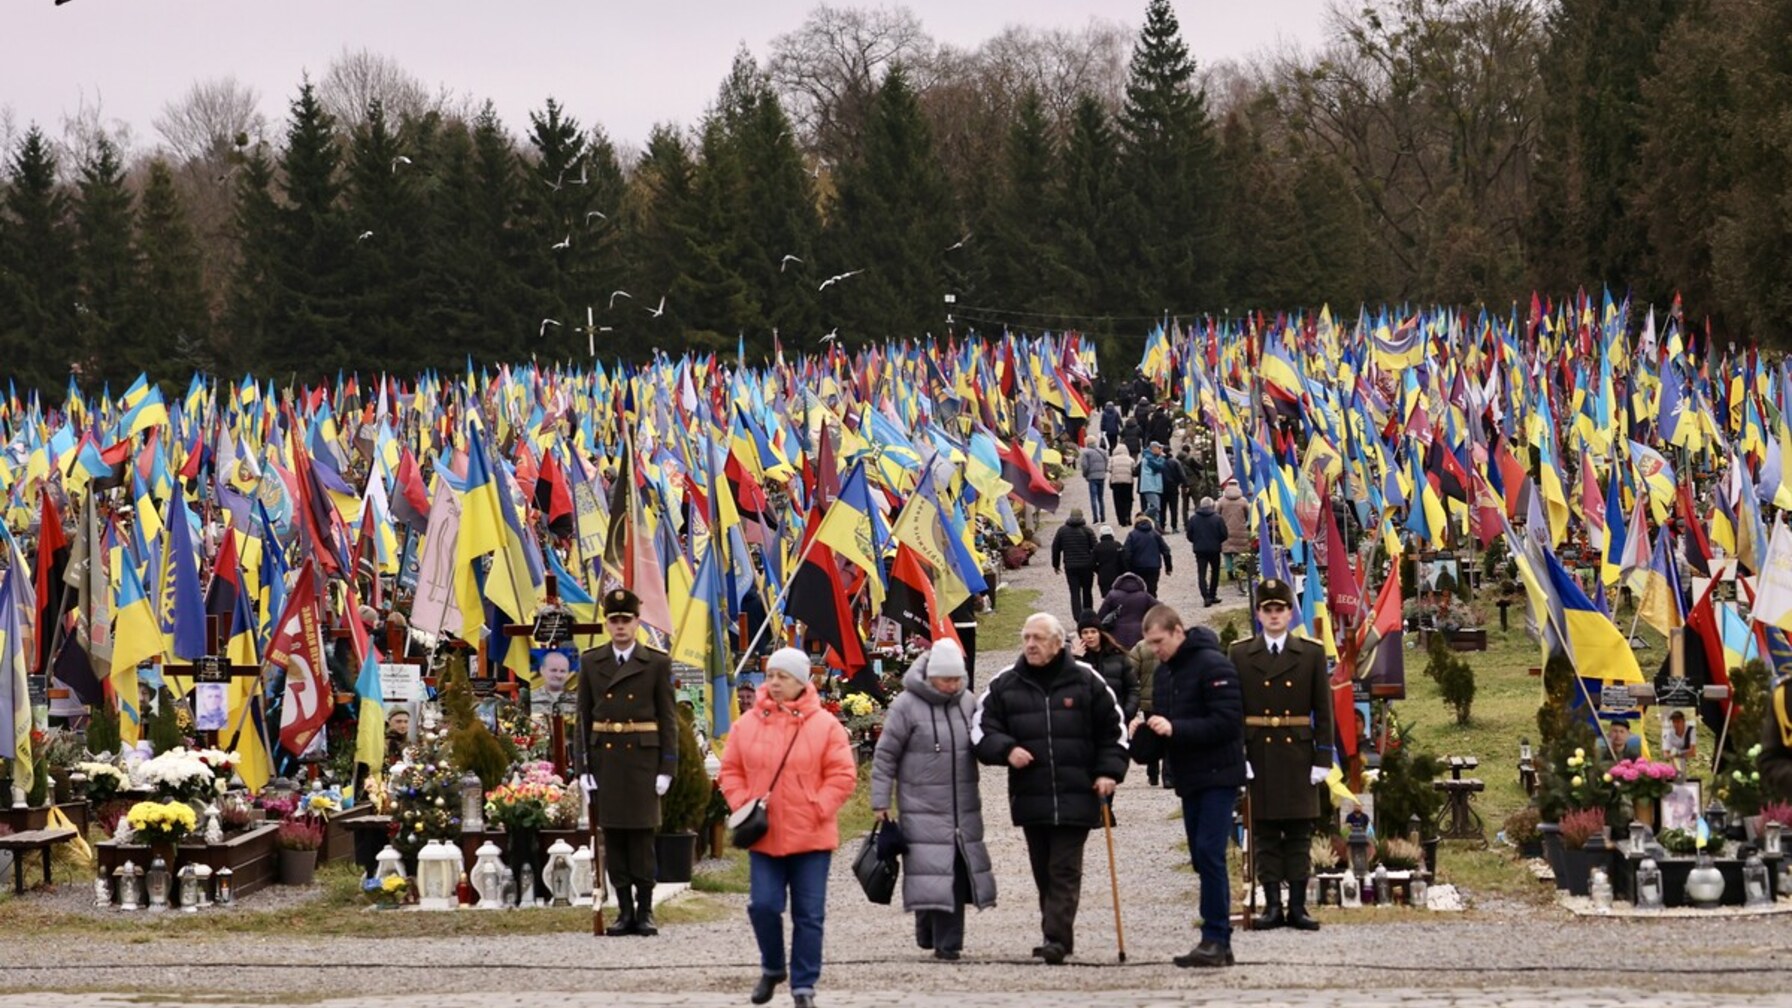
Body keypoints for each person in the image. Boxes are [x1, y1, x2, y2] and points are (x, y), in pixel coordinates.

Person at [973, 613, 1128, 966]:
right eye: (1026, 637)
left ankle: (1056, 938)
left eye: (1038, 638)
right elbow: (981, 729)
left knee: (1064, 868)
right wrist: (1007, 749)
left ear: (1058, 644)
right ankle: (1055, 933)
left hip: (1078, 792)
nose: (1030, 644)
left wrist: (1109, 772)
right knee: (1043, 869)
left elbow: (1114, 731)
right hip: (1031, 795)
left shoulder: (1088, 682)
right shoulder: (1006, 684)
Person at [720, 648, 857, 1008]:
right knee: (763, 906)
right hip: (764, 835)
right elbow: (730, 770)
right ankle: (772, 966)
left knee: (809, 915)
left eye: (783, 676)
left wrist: (819, 806)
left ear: (801, 681)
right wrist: (742, 804)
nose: (775, 682)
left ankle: (803, 986)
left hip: (812, 835)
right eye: (771, 675)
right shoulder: (747, 724)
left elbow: (843, 774)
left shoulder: (826, 726)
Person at [1130, 604, 1244, 968]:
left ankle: (1215, 937)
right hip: (1189, 776)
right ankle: (1218, 942)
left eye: (1159, 642)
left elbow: (1227, 722)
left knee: (1210, 852)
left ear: (1178, 631)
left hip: (1219, 774)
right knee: (1199, 856)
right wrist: (1142, 736)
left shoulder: (1214, 665)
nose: (1156, 650)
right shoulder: (1164, 675)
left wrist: (1176, 729)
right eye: (1150, 644)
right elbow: (1164, 731)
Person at [870, 640, 998, 961]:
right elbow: (886, 755)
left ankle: (949, 944)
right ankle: (929, 934)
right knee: (929, 871)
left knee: (952, 873)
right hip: (920, 806)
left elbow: (983, 738)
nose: (952, 685)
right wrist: (880, 800)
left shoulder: (967, 702)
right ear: (931, 677)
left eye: (957, 679)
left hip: (962, 805)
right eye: (946, 679)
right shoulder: (906, 706)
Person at [576, 588, 680, 937]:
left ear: (637, 622)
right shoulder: (592, 662)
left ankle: (645, 910)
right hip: (607, 760)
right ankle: (623, 910)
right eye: (614, 620)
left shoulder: (657, 662)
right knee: (615, 838)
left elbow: (668, 719)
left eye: (626, 620)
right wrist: (584, 770)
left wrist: (667, 768)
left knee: (642, 839)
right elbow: (582, 719)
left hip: (643, 763)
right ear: (607, 623)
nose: (620, 626)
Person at [1230, 579, 1331, 932]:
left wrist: (1323, 757)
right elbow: (1235, 708)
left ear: (1290, 613)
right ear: (1258, 614)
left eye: (1280, 609)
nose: (1274, 616)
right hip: (1260, 751)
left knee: (1300, 833)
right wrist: (1238, 753)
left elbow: (1324, 709)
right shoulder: (1240, 654)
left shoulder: (1312, 652)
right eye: (1267, 610)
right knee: (1266, 833)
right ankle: (1273, 906)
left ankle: (1298, 907)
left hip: (1299, 754)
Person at [1076, 612, 1140, 825]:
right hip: (1085, 723)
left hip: (1113, 721)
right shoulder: (1073, 662)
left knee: (1109, 765)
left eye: (1093, 631)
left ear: (1101, 633)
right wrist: (1075, 658)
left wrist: (1126, 712)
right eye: (1085, 632)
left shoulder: (1119, 657)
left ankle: (1106, 808)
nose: (1089, 636)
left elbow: (1133, 688)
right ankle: (1095, 809)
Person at [1051, 508, 1099, 618]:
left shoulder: (1062, 531)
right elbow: (1096, 548)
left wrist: (1056, 564)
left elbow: (1056, 548)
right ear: (1082, 516)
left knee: (1074, 593)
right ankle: (1088, 615)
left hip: (1070, 566)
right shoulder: (1087, 530)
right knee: (1087, 591)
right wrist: (1096, 566)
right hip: (1087, 566)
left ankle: (1077, 616)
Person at [1096, 571, 1157, 649]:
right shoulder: (1145, 596)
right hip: (1139, 633)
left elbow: (1101, 615)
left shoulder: (1112, 595)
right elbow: (1160, 609)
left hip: (1116, 634)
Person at [1186, 496, 1228, 607]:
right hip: (1214, 549)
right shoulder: (1218, 518)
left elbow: (1189, 535)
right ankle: (1212, 594)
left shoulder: (1194, 518)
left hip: (1199, 550)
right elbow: (1224, 534)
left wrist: (1196, 541)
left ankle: (1205, 596)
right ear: (1212, 506)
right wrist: (1217, 541)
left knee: (1201, 573)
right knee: (1215, 572)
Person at [1121, 514, 1173, 597]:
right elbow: (1166, 551)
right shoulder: (1155, 534)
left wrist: (1127, 569)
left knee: (1138, 591)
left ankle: (1140, 607)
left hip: (1137, 567)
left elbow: (1126, 553)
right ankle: (1151, 607)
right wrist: (1168, 567)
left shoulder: (1132, 535)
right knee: (1152, 590)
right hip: (1153, 566)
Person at [1217, 483, 1251, 582]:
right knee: (1238, 552)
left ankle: (1229, 570)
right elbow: (1248, 514)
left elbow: (1216, 513)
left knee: (1227, 552)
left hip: (1225, 529)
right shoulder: (1243, 501)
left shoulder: (1221, 501)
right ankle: (1237, 571)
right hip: (1240, 529)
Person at [531, 649, 577, 715]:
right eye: (553, 670)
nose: (558, 675)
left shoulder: (576, 700)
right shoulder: (532, 699)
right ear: (542, 670)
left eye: (562, 671)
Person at [1078, 441, 1109, 524]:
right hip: (1101, 477)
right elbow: (1107, 462)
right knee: (1101, 498)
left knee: (1093, 498)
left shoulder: (1086, 453)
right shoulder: (1103, 451)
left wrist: (1085, 475)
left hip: (1092, 477)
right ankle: (1103, 517)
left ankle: (1095, 518)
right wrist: (1104, 471)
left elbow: (1085, 466)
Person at [1137, 443, 1166, 525]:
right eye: (1159, 448)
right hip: (1150, 485)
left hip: (1153, 486)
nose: (1161, 450)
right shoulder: (1149, 458)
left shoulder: (1151, 457)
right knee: (1155, 507)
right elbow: (1159, 466)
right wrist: (1162, 458)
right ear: (1154, 448)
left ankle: (1157, 527)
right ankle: (1142, 518)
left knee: (1156, 509)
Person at [1093, 525, 1125, 598]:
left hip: (1103, 575)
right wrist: (1123, 572)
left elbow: (1092, 562)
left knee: (1107, 598)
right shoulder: (1117, 545)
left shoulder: (1098, 546)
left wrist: (1098, 570)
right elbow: (1123, 561)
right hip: (1117, 575)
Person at [1160, 442, 1186, 533]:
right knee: (1173, 508)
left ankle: (1162, 526)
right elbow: (1181, 474)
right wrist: (1183, 484)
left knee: (1162, 508)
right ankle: (1174, 526)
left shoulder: (1159, 462)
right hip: (1173, 487)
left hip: (1161, 488)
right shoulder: (1175, 462)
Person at [1108, 444, 1135, 525]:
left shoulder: (1113, 459)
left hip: (1116, 482)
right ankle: (1128, 516)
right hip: (1128, 482)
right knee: (1128, 500)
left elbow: (1109, 469)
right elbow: (1133, 469)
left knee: (1118, 501)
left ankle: (1121, 520)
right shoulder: (1130, 459)